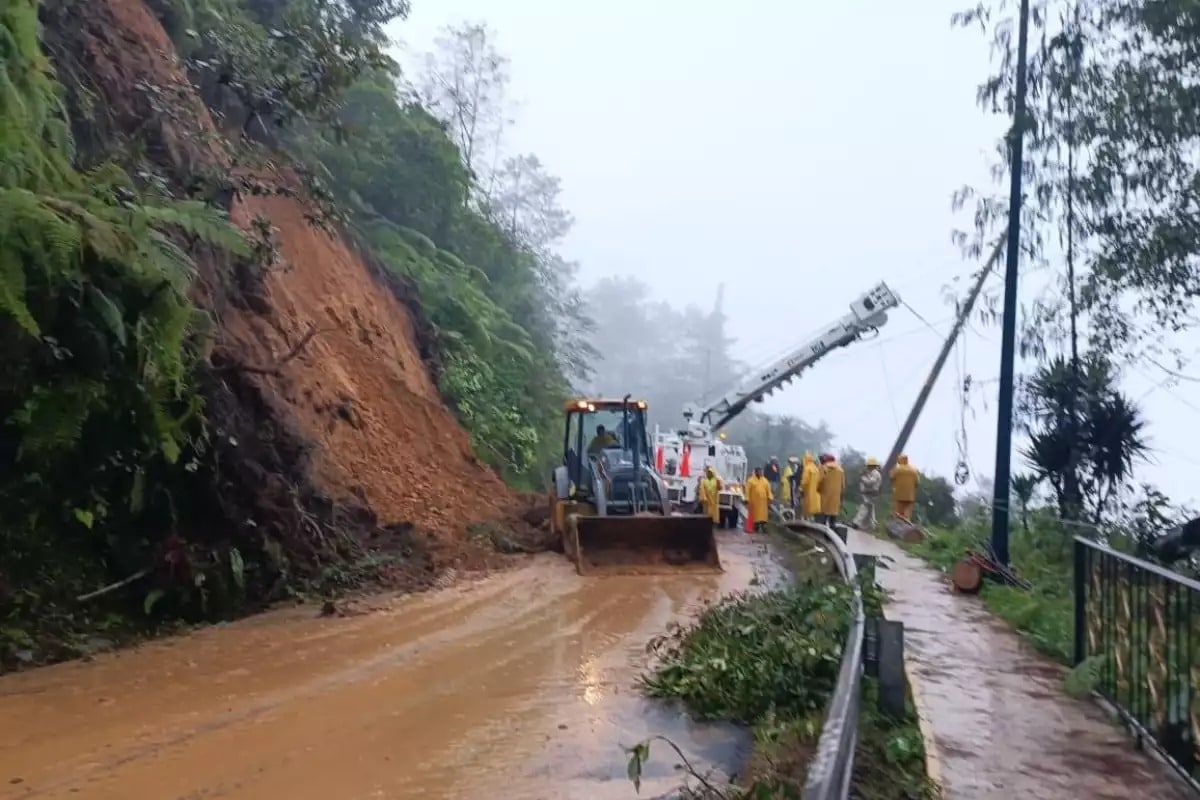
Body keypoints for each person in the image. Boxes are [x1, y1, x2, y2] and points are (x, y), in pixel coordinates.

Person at [852, 456, 883, 530]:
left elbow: (870, 482)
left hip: (871, 493)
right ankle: (872, 525)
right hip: (869, 493)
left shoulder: (875, 473)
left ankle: (856, 523)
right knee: (870, 510)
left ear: (872, 466)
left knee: (864, 508)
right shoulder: (871, 473)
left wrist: (862, 477)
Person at [817, 453, 845, 528]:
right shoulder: (840, 470)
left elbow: (819, 481)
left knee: (821, 520)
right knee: (832, 520)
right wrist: (841, 498)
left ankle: (820, 536)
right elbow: (843, 486)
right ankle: (831, 535)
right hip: (835, 499)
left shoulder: (823, 468)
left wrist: (817, 490)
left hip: (824, 497)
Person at [890, 454, 920, 522]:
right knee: (906, 515)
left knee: (897, 513)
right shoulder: (914, 470)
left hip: (899, 495)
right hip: (910, 496)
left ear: (900, 460)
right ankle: (905, 527)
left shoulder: (897, 469)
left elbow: (891, 477)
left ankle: (896, 528)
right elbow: (917, 483)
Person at [745, 466, 773, 533]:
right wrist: (747, 499)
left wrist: (770, 497)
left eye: (762, 471)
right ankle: (755, 526)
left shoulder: (765, 480)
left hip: (763, 502)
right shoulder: (751, 480)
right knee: (755, 515)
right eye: (760, 471)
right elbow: (747, 491)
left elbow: (768, 490)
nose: (761, 473)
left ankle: (764, 527)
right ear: (756, 472)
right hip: (754, 502)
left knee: (763, 516)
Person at [800, 452, 821, 520]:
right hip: (814, 491)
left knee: (805, 506)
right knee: (812, 506)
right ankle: (811, 518)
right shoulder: (816, 468)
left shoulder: (807, 468)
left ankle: (804, 519)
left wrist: (801, 489)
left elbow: (804, 481)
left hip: (807, 490)